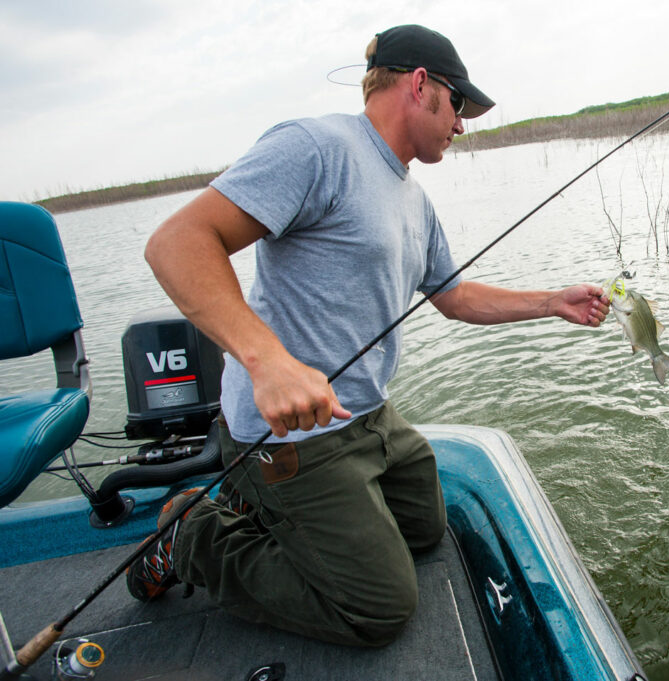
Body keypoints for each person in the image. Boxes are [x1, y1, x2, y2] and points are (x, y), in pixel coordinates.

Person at [125, 24, 609, 647]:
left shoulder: (414, 198)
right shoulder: (315, 147)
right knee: (377, 606)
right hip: (291, 432)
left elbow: (453, 296)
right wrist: (266, 361)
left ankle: (263, 511)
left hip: (368, 415)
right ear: (419, 86)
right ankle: (190, 536)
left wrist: (552, 302)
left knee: (426, 528)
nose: (461, 125)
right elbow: (177, 243)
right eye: (457, 105)